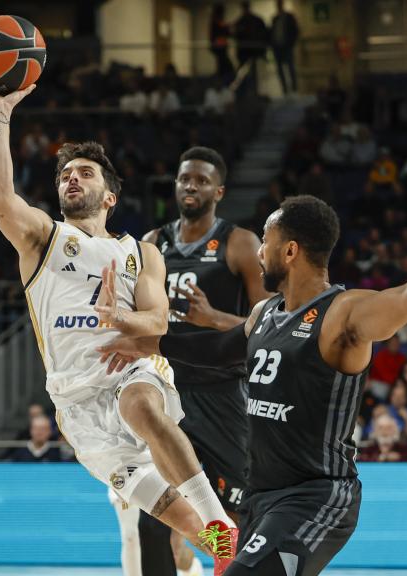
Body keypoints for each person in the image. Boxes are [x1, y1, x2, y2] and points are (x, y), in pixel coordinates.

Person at [97, 193, 407, 575]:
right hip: (263, 497)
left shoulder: (343, 313)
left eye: (266, 241)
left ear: (290, 250)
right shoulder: (264, 313)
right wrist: (139, 341)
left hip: (316, 497)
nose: (258, 252)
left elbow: (406, 299)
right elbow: (215, 348)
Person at [0, 77, 237, 569]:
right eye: (65, 174)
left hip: (129, 369)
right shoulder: (43, 241)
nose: (72, 178)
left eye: (86, 172)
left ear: (110, 195)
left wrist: (121, 317)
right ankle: (222, 550)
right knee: (171, 517)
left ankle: (217, 515)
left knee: (139, 403)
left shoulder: (141, 252)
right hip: (74, 401)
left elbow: (157, 323)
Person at [136, 146, 269, 576]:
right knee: (155, 515)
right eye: (184, 178)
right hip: (168, 396)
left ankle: (227, 561)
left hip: (224, 394)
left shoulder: (240, 243)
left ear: (219, 191)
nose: (191, 186)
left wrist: (213, 319)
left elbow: (273, 325)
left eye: (201, 180)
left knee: (238, 517)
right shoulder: (153, 244)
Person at [269, 0, 300, 94]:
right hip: (277, 47)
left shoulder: (289, 17)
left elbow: (295, 30)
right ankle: (285, 89)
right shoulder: (275, 18)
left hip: (286, 46)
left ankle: (294, 89)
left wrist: (291, 43)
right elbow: (272, 33)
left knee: (290, 68)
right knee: (280, 69)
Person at [209, 3, 235, 80]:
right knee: (223, 63)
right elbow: (222, 29)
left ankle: (224, 75)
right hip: (219, 46)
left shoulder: (218, 21)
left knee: (223, 63)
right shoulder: (215, 21)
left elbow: (226, 32)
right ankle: (222, 76)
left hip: (221, 46)